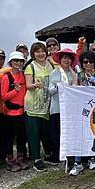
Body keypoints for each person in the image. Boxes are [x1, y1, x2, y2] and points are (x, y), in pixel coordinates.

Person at [24, 42, 54, 172]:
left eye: (42, 51)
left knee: (46, 132)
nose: (40, 54)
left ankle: (48, 154)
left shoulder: (50, 65)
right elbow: (28, 85)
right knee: (34, 133)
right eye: (37, 52)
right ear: (33, 54)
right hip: (33, 105)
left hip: (47, 103)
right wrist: (36, 85)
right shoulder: (30, 66)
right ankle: (36, 159)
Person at [48, 48, 79, 168]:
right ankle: (59, 156)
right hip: (57, 107)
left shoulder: (74, 74)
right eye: (64, 58)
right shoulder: (55, 73)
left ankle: (69, 157)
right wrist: (58, 87)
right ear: (60, 60)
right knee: (57, 133)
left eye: (69, 58)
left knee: (68, 133)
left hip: (69, 109)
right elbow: (50, 90)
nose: (66, 60)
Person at [0, 51, 29, 172]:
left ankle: (20, 158)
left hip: (22, 112)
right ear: (10, 62)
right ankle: (10, 160)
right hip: (10, 114)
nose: (18, 63)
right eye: (16, 60)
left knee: (21, 137)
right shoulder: (6, 77)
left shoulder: (23, 75)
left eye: (21, 61)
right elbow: (3, 96)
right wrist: (15, 91)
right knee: (9, 138)